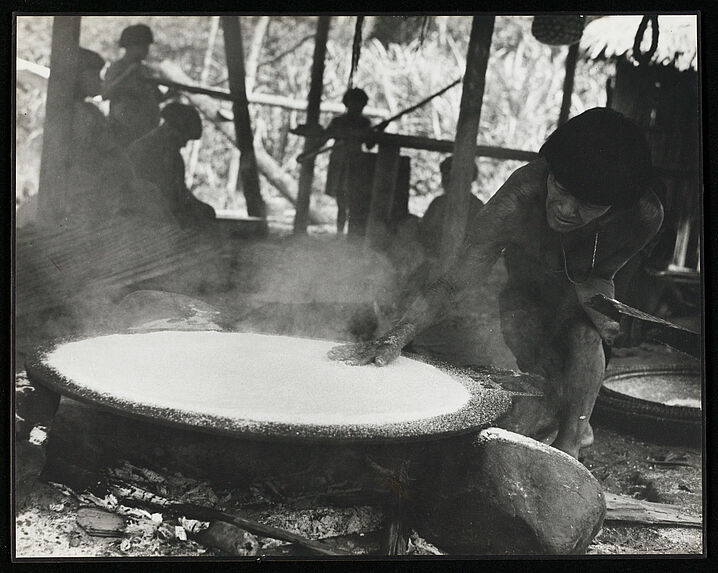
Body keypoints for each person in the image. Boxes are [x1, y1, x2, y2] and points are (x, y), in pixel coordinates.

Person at [329, 108, 664, 459]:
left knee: (584, 337)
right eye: (560, 189)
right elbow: (453, 284)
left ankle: (570, 447)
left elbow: (600, 275)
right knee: (543, 378)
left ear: (614, 206)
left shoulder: (643, 216)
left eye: (588, 205)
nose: (565, 209)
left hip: (578, 288)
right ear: (549, 172)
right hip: (524, 293)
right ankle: (571, 417)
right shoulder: (517, 200)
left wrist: (608, 315)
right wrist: (397, 334)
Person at [64, 48, 172, 226]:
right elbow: (97, 151)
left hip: (117, 162)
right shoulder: (80, 113)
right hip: (97, 175)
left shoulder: (90, 111)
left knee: (150, 192)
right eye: (95, 75)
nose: (99, 80)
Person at [128, 102, 216, 229]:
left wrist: (200, 207)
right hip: (145, 218)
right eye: (184, 138)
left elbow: (179, 191)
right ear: (170, 128)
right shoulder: (142, 150)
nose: (184, 145)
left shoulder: (174, 157)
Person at [103, 24, 164, 146]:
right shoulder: (117, 67)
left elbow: (157, 97)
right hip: (123, 131)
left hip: (146, 131)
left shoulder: (146, 70)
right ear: (131, 46)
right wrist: (128, 73)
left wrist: (171, 93)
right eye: (143, 46)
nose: (146, 50)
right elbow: (106, 93)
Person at [322, 88, 373, 235]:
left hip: (357, 163)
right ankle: (339, 232)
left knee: (355, 199)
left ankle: (352, 234)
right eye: (354, 104)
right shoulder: (338, 121)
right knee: (341, 200)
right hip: (339, 163)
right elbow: (325, 137)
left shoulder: (365, 122)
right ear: (347, 104)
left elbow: (370, 145)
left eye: (360, 105)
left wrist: (375, 133)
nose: (357, 107)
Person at [419, 155, 484, 258]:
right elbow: (424, 235)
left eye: (449, 176)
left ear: (468, 179)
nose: (444, 180)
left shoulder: (478, 207)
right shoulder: (438, 204)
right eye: (444, 176)